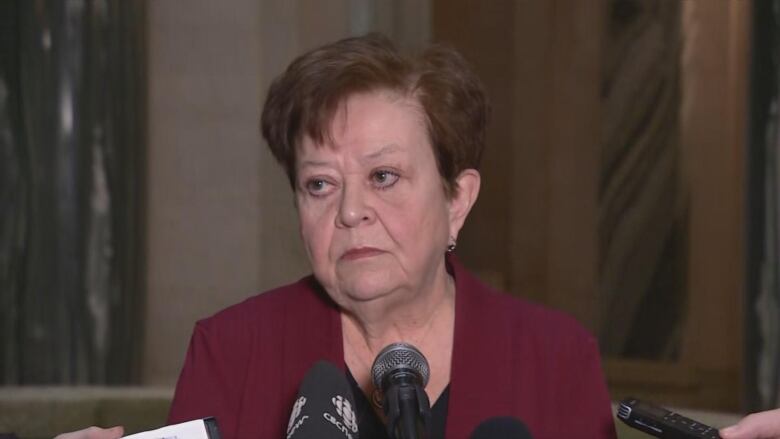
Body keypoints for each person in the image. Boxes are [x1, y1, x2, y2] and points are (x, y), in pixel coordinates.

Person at [58, 34, 617, 439]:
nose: (351, 212)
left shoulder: (555, 360)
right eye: (320, 184)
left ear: (456, 200)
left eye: (384, 177)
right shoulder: (232, 352)